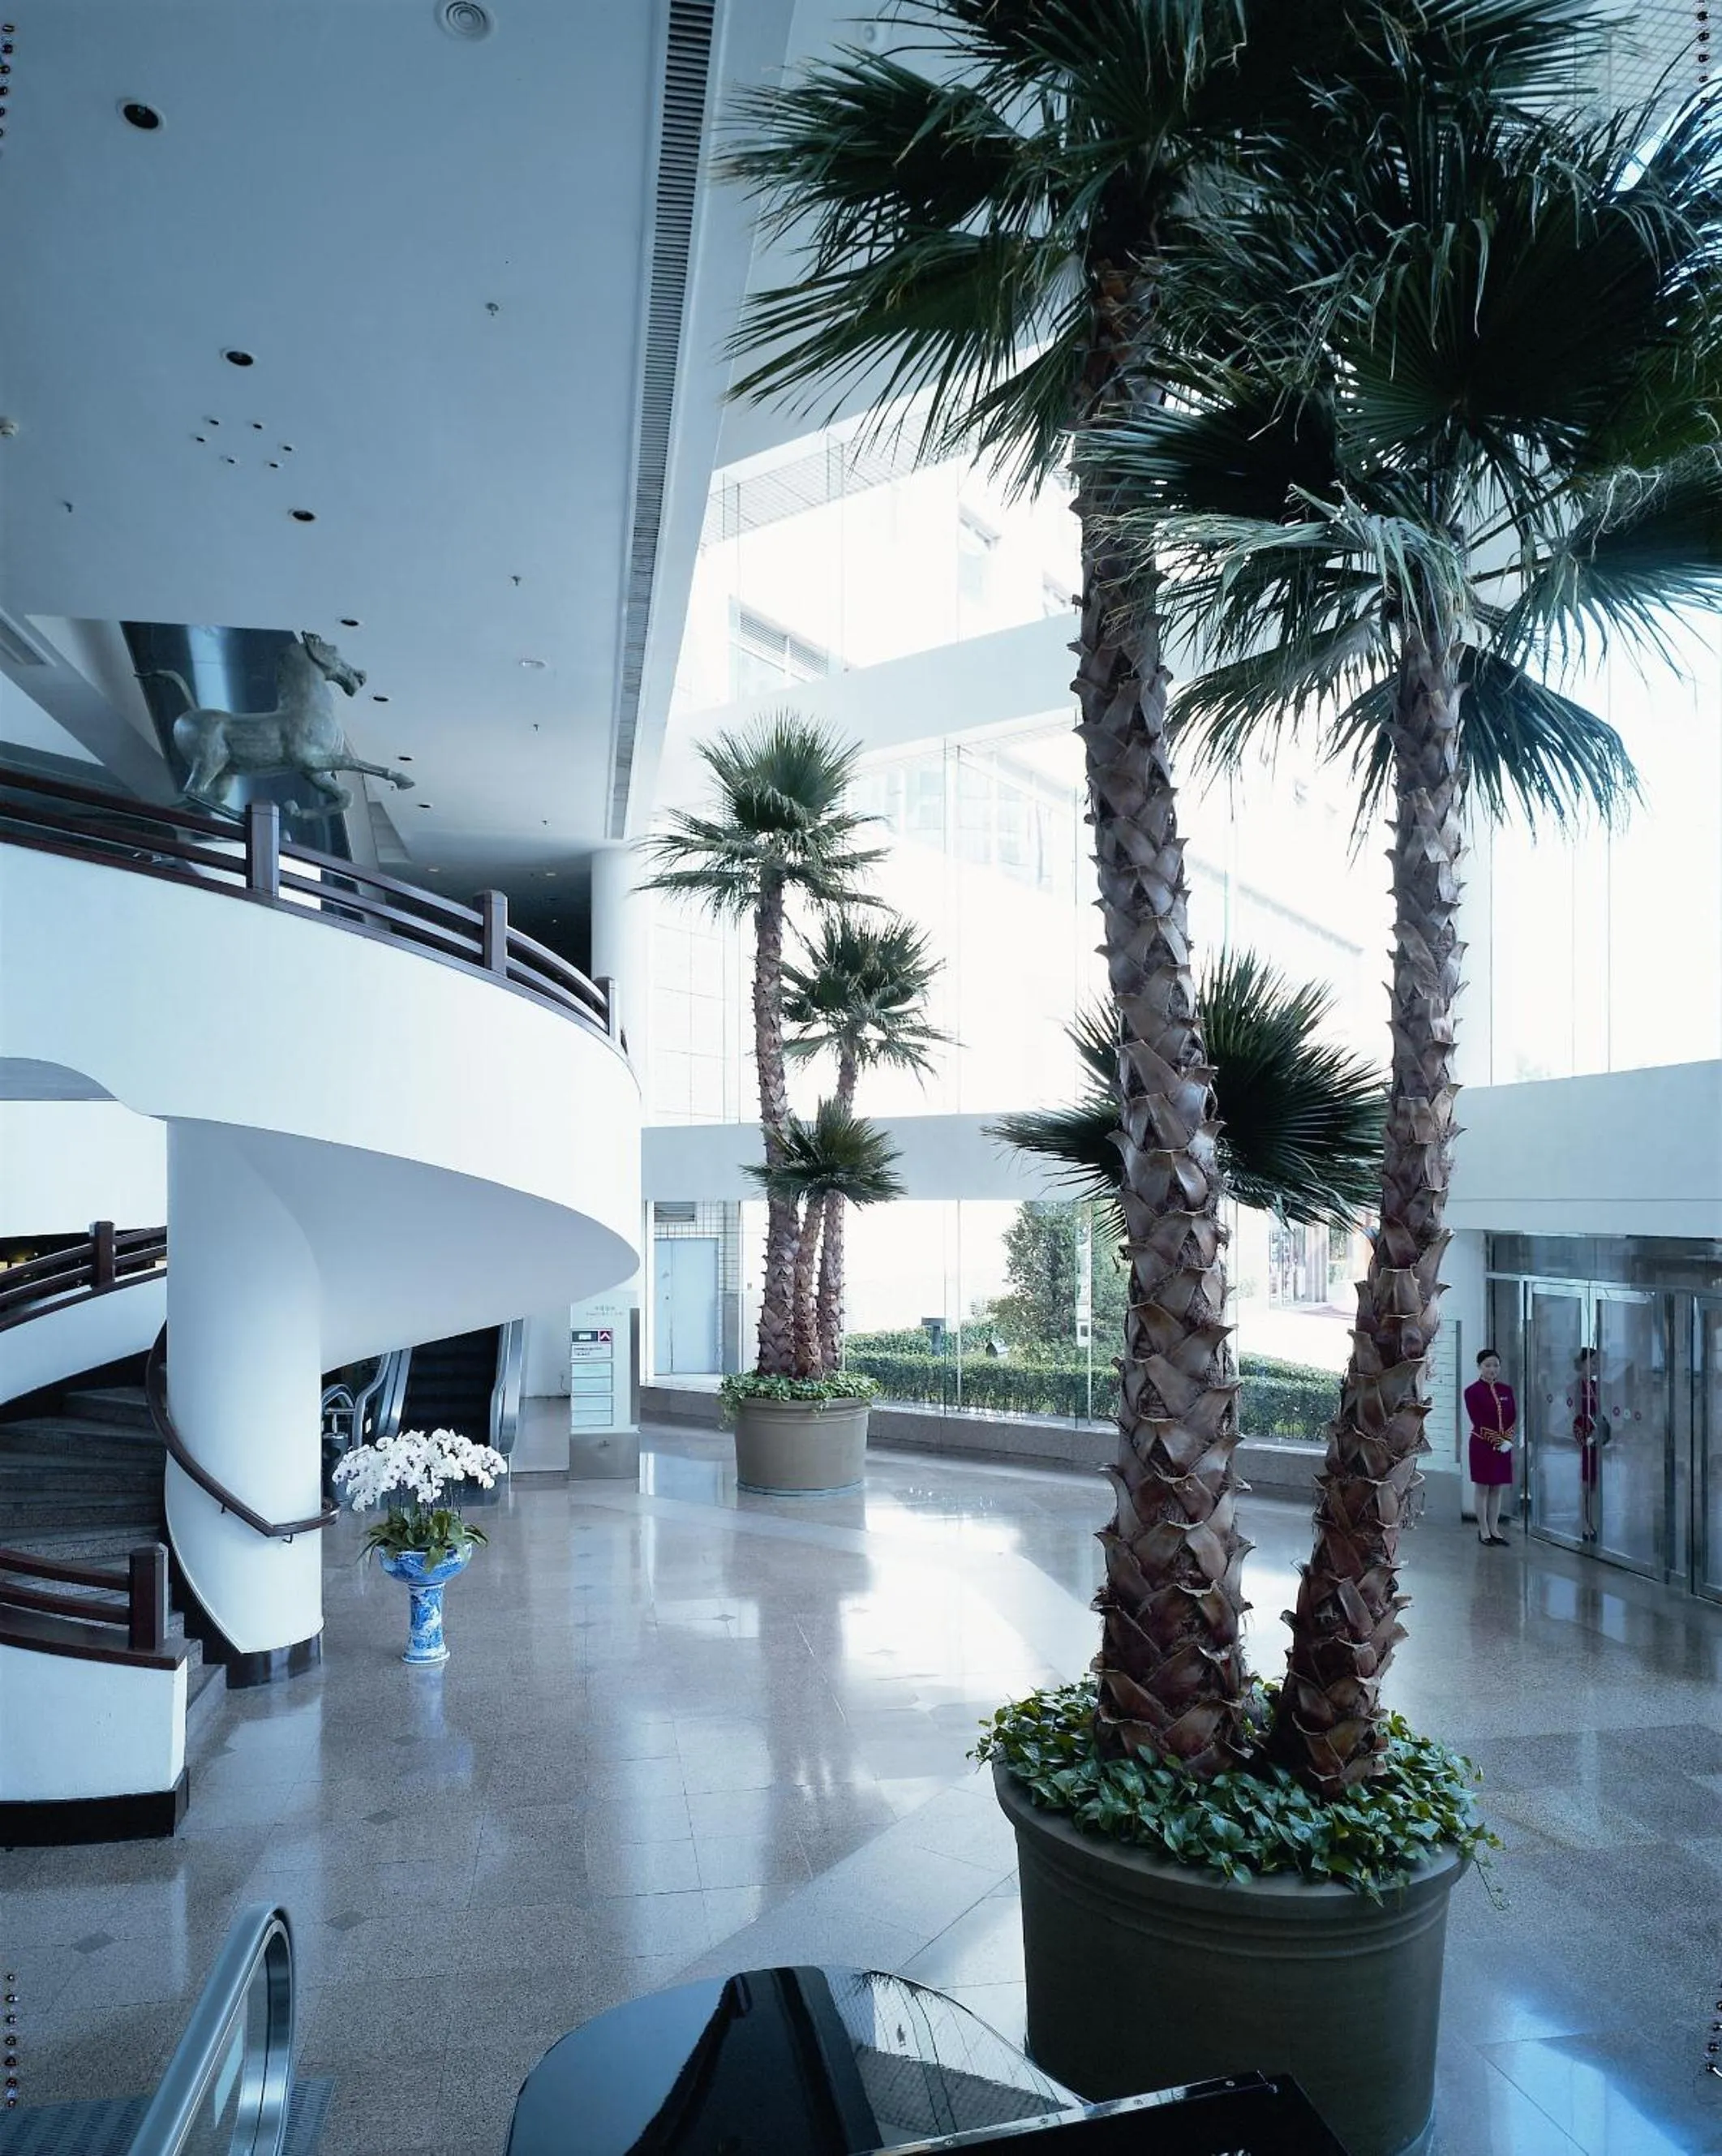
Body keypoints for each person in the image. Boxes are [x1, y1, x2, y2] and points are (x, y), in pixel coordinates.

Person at [1465, 1347, 1517, 1546]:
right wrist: (1498, 1440)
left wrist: (1508, 1440)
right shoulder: (1472, 1392)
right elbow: (1478, 1421)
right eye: (1488, 1365)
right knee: (1483, 1488)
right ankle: (1484, 1530)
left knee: (1497, 1488)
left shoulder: (1506, 1390)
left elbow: (1513, 1416)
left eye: (1495, 1365)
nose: (1492, 1369)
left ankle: (1495, 1529)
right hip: (1482, 1445)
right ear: (1479, 1367)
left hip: (1504, 1446)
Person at [1572, 1344, 1604, 1544]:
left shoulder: (1595, 1387)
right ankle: (1584, 1524)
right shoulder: (1577, 1387)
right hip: (1583, 1440)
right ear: (1583, 1364)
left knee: (1593, 1484)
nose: (1595, 1366)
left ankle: (1592, 1522)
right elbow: (1576, 1415)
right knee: (1584, 1484)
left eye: (1597, 1362)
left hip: (1595, 1440)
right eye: (1592, 1362)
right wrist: (1585, 1436)